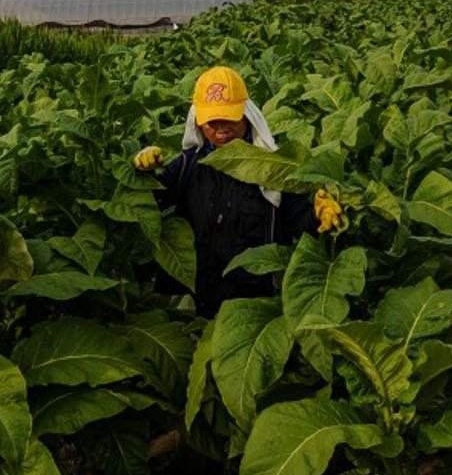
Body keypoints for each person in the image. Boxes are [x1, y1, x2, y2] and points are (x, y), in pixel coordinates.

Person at [132, 66, 344, 316]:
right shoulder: (187, 166)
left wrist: (320, 211)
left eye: (229, 118)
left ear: (246, 115)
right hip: (196, 298)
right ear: (198, 121)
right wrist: (142, 173)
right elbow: (151, 201)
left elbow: (296, 217)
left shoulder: (270, 169)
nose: (221, 129)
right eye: (212, 121)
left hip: (253, 304)